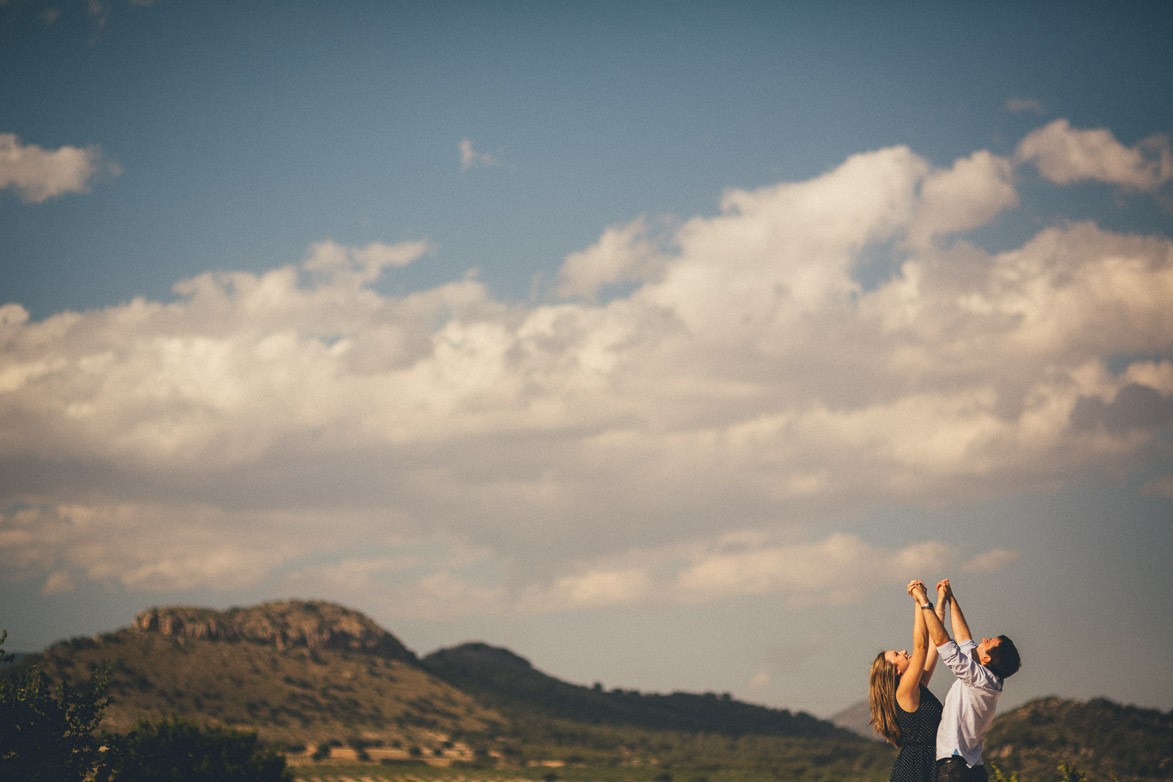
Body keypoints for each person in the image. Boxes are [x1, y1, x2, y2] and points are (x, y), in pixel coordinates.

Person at [910, 579, 1021, 782]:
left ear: (986, 658)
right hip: (973, 767)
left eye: (989, 642)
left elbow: (945, 644)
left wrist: (924, 601)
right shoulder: (989, 679)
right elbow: (964, 640)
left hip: (955, 767)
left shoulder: (979, 679)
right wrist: (951, 599)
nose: (984, 638)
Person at [869, 579, 949, 781]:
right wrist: (919, 599)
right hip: (915, 772)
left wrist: (938, 602)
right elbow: (921, 646)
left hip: (927, 767)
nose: (904, 652)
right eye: (897, 654)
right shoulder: (904, 693)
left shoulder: (916, 687)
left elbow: (934, 645)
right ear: (894, 672)